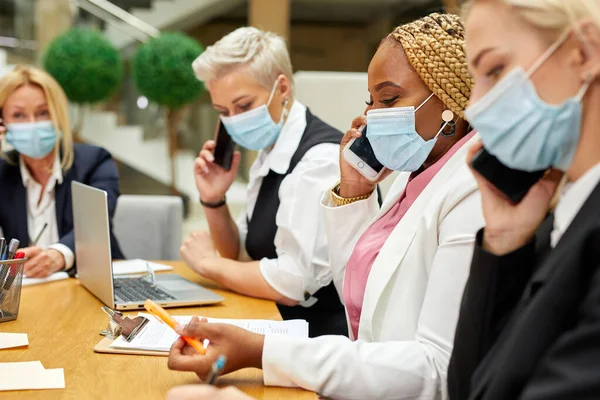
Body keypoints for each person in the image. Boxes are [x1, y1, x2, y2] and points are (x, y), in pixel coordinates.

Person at [168, 14, 484, 399]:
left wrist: (260, 350)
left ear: (452, 99)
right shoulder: (410, 174)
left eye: (389, 99)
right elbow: (360, 294)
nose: (370, 117)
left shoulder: (471, 194)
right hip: (349, 372)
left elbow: (436, 369)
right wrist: (353, 190)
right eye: (371, 102)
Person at [447, 1, 600, 399]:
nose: (473, 105)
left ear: (585, 53)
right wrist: (504, 240)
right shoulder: (563, 216)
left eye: (494, 70)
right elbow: (470, 387)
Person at [180, 27, 347, 337]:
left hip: (316, 340)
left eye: (243, 106)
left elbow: (293, 282)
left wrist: (207, 264)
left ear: (281, 88)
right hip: (271, 320)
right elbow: (244, 254)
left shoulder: (319, 161)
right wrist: (214, 200)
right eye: (223, 111)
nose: (234, 120)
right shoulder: (271, 150)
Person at [0, 65, 124, 277]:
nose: (32, 124)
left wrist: (59, 255)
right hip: (28, 293)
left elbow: (97, 225)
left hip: (91, 283)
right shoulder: (3, 170)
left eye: (43, 113)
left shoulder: (95, 161)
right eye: (19, 115)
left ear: (58, 114)